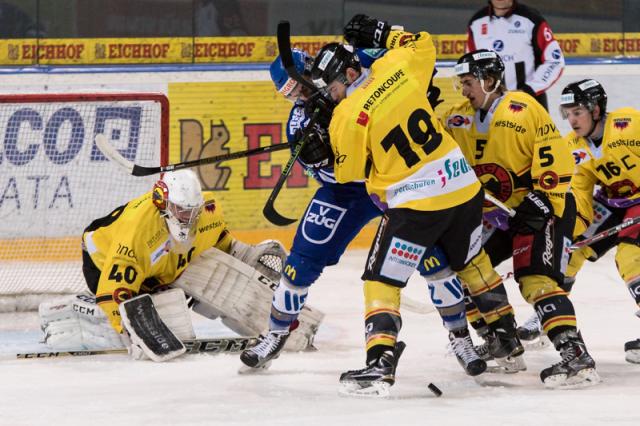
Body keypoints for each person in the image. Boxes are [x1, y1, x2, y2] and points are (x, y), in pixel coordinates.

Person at [303, 15, 524, 395]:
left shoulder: (343, 119)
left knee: (380, 280)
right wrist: (384, 32)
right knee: (473, 263)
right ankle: (507, 340)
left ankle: (380, 365)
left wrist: (325, 146)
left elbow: (349, 174)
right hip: (463, 189)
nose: (331, 93)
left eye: (334, 85)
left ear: (351, 72)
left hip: (416, 208)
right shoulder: (395, 65)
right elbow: (423, 44)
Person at [239, 47, 487, 378]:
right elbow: (332, 176)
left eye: (300, 86)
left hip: (397, 182)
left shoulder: (352, 69)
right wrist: (322, 156)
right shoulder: (301, 121)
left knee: (433, 261)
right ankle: (274, 335)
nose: (299, 97)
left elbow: (397, 60)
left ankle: (460, 337)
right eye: (290, 94)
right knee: (300, 262)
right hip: (348, 192)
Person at [442, 48, 600, 388]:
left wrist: (542, 198)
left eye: (468, 82)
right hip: (498, 215)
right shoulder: (457, 117)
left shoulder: (524, 109)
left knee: (535, 281)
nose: (463, 90)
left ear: (489, 80)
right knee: (465, 271)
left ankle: (576, 356)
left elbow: (557, 159)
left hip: (541, 209)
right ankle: (504, 345)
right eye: (461, 83)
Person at [39, 169, 291, 359]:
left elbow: (217, 242)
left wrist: (240, 255)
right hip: (101, 260)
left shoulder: (207, 210)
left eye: (192, 211)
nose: (188, 218)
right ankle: (67, 314)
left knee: (207, 275)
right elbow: (113, 289)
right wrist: (126, 329)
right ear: (162, 202)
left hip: (158, 267)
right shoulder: (137, 232)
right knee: (167, 316)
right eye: (181, 210)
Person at [559, 79, 640, 364]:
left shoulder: (629, 124)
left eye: (577, 112)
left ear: (595, 109)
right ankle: (552, 312)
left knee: (631, 257)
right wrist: (570, 227)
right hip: (612, 201)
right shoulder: (572, 145)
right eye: (567, 113)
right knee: (571, 249)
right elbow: (581, 191)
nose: (571, 120)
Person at [466, 0, 564, 110]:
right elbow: (471, 67)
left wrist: (528, 90)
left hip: (530, 104)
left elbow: (555, 61)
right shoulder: (476, 23)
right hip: (490, 108)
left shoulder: (532, 19)